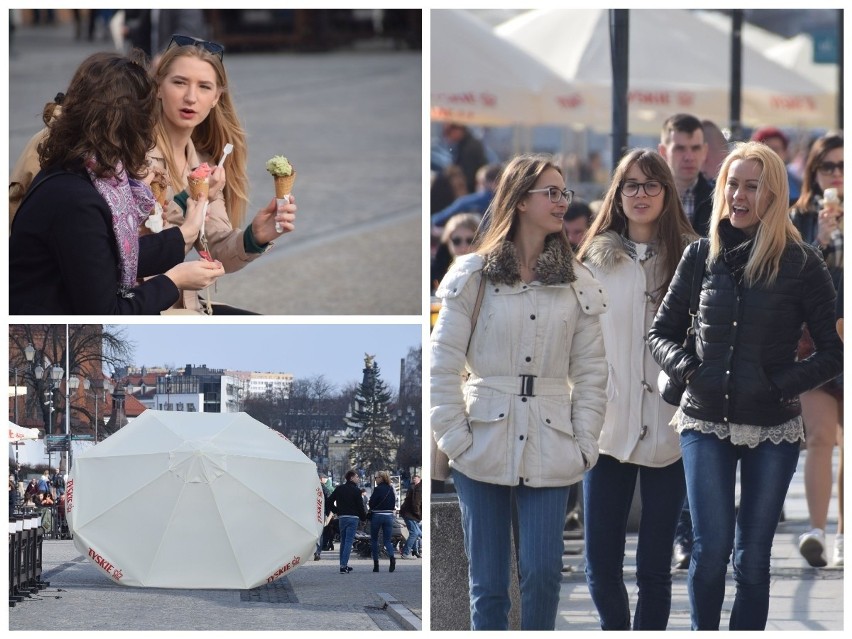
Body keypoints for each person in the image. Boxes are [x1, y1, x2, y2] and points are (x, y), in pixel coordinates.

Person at [648, 141, 843, 630]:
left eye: (752, 186)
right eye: (732, 184)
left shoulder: (802, 262)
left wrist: (783, 384)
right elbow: (660, 333)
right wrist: (691, 370)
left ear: (774, 194)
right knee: (710, 551)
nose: (738, 194)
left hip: (772, 425)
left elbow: (834, 351)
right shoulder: (699, 254)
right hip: (703, 418)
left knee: (752, 558)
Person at [430, 153, 608, 630]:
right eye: (550, 192)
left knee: (544, 574)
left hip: (554, 440)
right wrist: (453, 436)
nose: (561, 202)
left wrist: (585, 442)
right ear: (519, 200)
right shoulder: (473, 274)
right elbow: (442, 361)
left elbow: (592, 372)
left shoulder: (577, 282)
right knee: (488, 585)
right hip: (480, 436)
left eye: (564, 192)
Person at [576, 149, 697, 630]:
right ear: (617, 193)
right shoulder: (593, 258)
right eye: (631, 185)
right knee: (600, 564)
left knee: (654, 569)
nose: (641, 194)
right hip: (606, 428)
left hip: (672, 428)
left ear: (667, 193)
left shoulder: (694, 256)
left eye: (651, 185)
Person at [9, 50, 224, 314]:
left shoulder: (83, 173)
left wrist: (186, 232)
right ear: (131, 124)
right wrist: (175, 280)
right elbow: (106, 313)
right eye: (147, 116)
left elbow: (110, 255)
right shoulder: (77, 200)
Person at [147, 34, 297, 314]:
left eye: (204, 87)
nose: (190, 97)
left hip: (184, 303)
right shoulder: (137, 157)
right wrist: (191, 197)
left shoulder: (203, 163)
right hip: (144, 302)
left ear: (216, 98)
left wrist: (256, 235)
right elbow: (143, 247)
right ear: (158, 86)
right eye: (179, 83)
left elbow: (218, 249)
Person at [789, 132, 844, 567]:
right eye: (829, 167)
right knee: (821, 436)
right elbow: (790, 279)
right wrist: (823, 242)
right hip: (815, 342)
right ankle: (816, 531)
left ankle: (845, 533)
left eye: (845, 167)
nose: (838, 176)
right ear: (814, 173)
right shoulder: (798, 218)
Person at [658, 113, 713, 237]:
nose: (689, 157)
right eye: (680, 149)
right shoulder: (649, 196)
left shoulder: (719, 199)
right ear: (663, 152)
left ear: (704, 151)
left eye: (695, 148)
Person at [431, 163, 502, 227]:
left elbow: (435, 220)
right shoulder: (508, 202)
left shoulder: (467, 202)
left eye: (479, 183)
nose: (477, 187)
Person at [328, 469, 367, 574]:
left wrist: (337, 511)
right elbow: (360, 506)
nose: (358, 478)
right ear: (351, 478)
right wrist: (363, 518)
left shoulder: (339, 489)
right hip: (353, 518)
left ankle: (343, 564)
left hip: (342, 518)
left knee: (344, 541)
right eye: (357, 477)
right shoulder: (356, 491)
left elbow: (329, 501)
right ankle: (343, 565)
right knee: (349, 541)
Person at [431, 213, 481, 293]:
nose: (463, 247)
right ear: (447, 241)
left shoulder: (489, 271)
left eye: (470, 240)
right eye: (456, 241)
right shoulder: (434, 271)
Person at [751, 126, 802, 204]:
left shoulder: (798, 184)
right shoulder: (747, 180)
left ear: (785, 152)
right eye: (766, 150)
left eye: (775, 150)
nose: (771, 155)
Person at [442, 123, 489, 193]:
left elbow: (468, 173)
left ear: (458, 130)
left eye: (449, 134)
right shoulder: (465, 144)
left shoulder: (469, 147)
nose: (449, 139)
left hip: (471, 188)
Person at [368, 471, 397, 573]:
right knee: (387, 541)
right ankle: (392, 558)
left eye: (376, 477)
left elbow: (371, 503)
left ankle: (376, 565)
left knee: (374, 540)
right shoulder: (391, 489)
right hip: (389, 516)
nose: (375, 479)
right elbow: (394, 502)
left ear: (381, 478)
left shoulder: (377, 489)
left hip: (377, 515)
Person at [399, 474, 422, 559]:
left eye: (415, 478)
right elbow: (416, 503)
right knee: (414, 533)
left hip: (409, 513)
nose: (414, 480)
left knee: (418, 533)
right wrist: (418, 514)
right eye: (413, 479)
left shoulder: (416, 487)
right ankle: (405, 553)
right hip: (410, 514)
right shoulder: (418, 488)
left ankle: (415, 551)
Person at [315, 473, 332, 561]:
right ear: (321, 479)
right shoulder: (325, 489)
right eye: (325, 478)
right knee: (320, 534)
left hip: (311, 513)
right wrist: (328, 513)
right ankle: (317, 552)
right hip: (321, 513)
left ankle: (312, 551)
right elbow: (328, 502)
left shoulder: (311, 488)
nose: (326, 480)